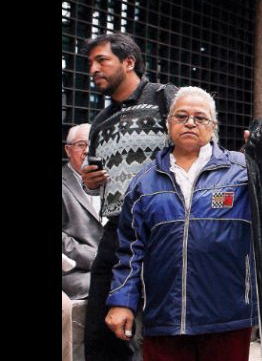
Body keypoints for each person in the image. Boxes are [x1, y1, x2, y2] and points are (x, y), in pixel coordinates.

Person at [105, 86, 258, 361]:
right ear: (168, 123)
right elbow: (129, 250)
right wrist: (121, 301)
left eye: (200, 117)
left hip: (228, 317)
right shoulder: (144, 182)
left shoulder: (243, 172)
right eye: (181, 116)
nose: (190, 123)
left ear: (213, 126)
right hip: (164, 317)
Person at [81, 32, 178, 361]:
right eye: (90, 63)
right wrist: (89, 181)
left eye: (101, 60)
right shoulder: (99, 121)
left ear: (129, 62)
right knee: (99, 334)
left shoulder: (165, 98)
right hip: (115, 231)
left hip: (162, 227)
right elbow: (93, 185)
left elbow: (200, 150)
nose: (93, 69)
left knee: (157, 334)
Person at [63, 123, 105, 300]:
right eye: (81, 145)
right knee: (107, 286)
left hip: (111, 264)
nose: (87, 151)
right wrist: (96, 259)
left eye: (92, 145)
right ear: (68, 150)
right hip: (76, 270)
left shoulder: (110, 181)